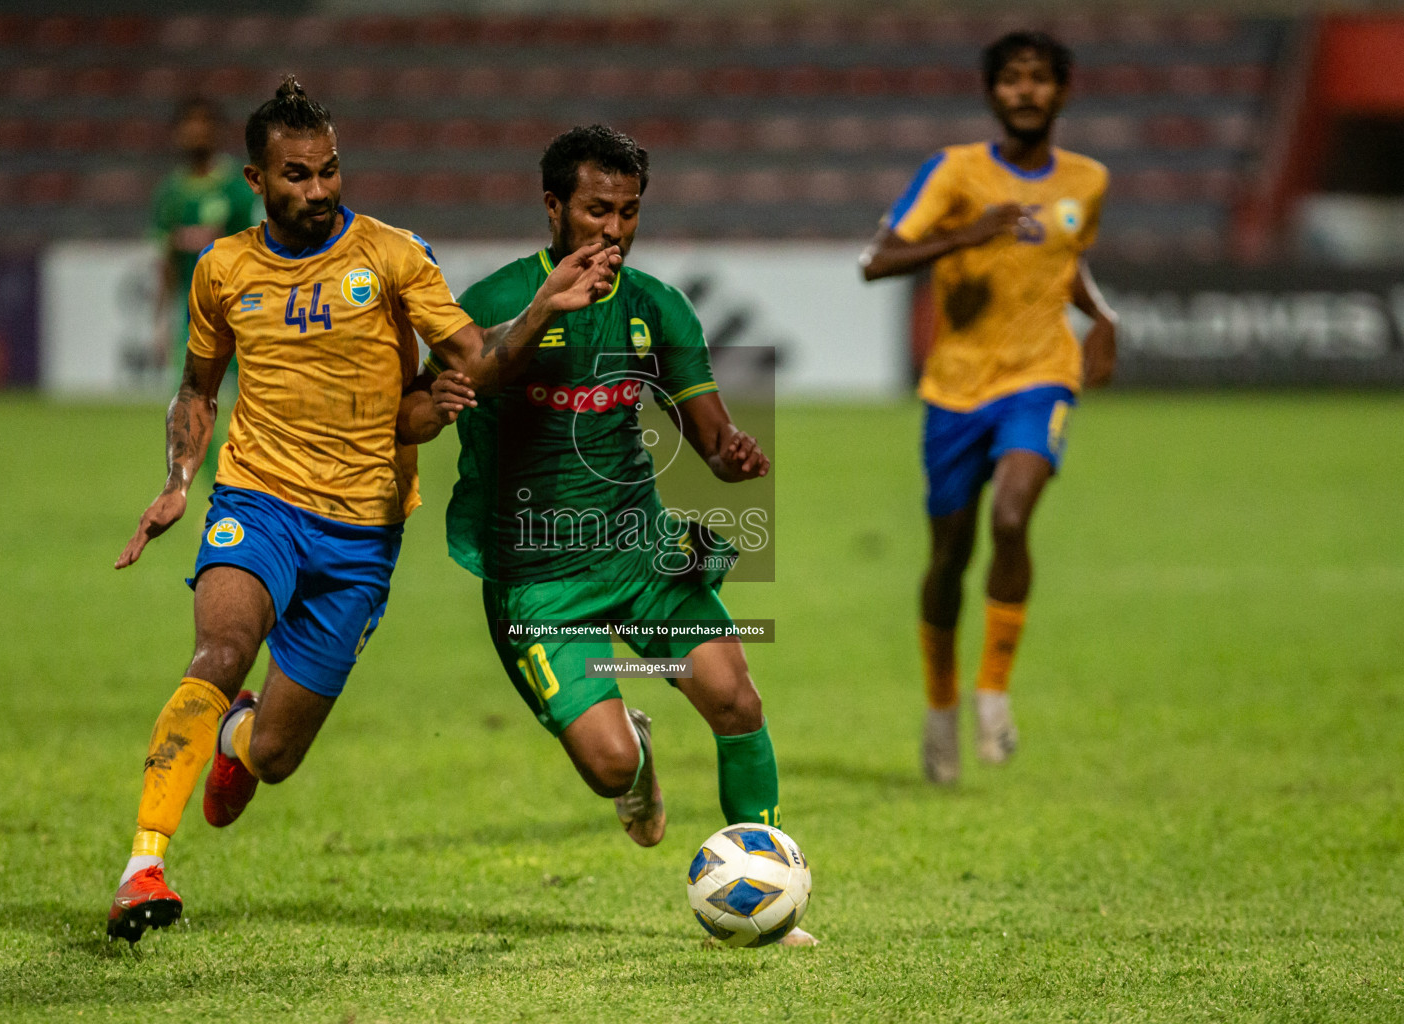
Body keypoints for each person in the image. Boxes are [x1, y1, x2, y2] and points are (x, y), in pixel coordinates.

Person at [105, 79, 620, 944]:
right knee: (222, 647)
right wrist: (178, 479)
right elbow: (196, 391)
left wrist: (539, 310)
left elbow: (475, 359)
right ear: (257, 180)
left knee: (274, 754)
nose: (318, 190)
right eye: (298, 175)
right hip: (257, 498)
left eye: (330, 170)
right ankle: (143, 866)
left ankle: (232, 744)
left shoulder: (390, 256)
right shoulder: (223, 270)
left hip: (360, 533)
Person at [433, 124, 814, 947]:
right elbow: (422, 408)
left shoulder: (657, 307)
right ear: (553, 208)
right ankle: (635, 766)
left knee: (735, 698)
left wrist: (731, 453)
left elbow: (709, 437)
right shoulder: (493, 302)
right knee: (606, 766)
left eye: (629, 212)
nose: (613, 230)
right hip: (537, 579)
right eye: (596, 211)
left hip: (642, 554)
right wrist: (541, 316)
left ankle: (771, 895)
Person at [859, 32, 1118, 784]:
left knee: (1012, 517)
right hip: (954, 390)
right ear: (992, 93)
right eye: (1011, 80)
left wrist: (1102, 316)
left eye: (1040, 79)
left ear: (1063, 90)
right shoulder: (954, 172)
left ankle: (993, 692)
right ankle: (940, 709)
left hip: (1041, 376)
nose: (1026, 91)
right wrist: (964, 236)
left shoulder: (1088, 181)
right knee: (949, 557)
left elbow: (1066, 262)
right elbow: (874, 260)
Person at [151, 97, 263, 481]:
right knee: (188, 407)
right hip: (190, 314)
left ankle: (256, 482)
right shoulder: (170, 194)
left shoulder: (237, 187)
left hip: (240, 309)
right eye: (188, 124)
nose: (195, 132)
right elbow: (166, 260)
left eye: (203, 124)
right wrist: (160, 320)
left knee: (247, 404)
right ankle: (222, 484)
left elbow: (259, 246)